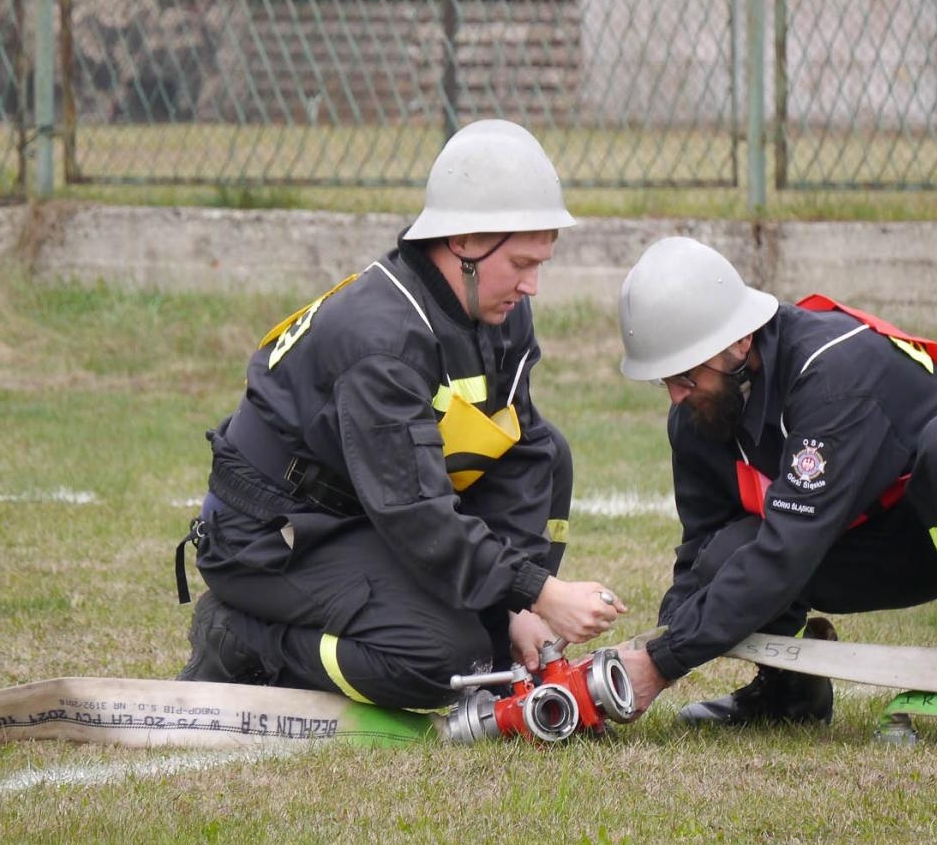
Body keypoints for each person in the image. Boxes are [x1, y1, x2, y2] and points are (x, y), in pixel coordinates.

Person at [173, 119, 625, 709]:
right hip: (269, 535)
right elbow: (415, 514)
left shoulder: (494, 310)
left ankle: (488, 628)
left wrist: (512, 611)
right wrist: (540, 592)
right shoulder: (380, 340)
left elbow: (521, 451)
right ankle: (242, 638)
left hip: (359, 513)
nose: (532, 285)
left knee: (547, 459)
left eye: (541, 262)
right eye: (519, 263)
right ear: (462, 242)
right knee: (448, 660)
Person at [612, 237, 937, 746]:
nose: (676, 394)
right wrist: (647, 652)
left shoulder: (832, 375)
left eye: (685, 375)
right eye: (664, 379)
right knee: (725, 554)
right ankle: (788, 695)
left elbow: (787, 550)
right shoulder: (699, 414)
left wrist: (661, 664)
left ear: (739, 343)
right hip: (851, 538)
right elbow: (702, 547)